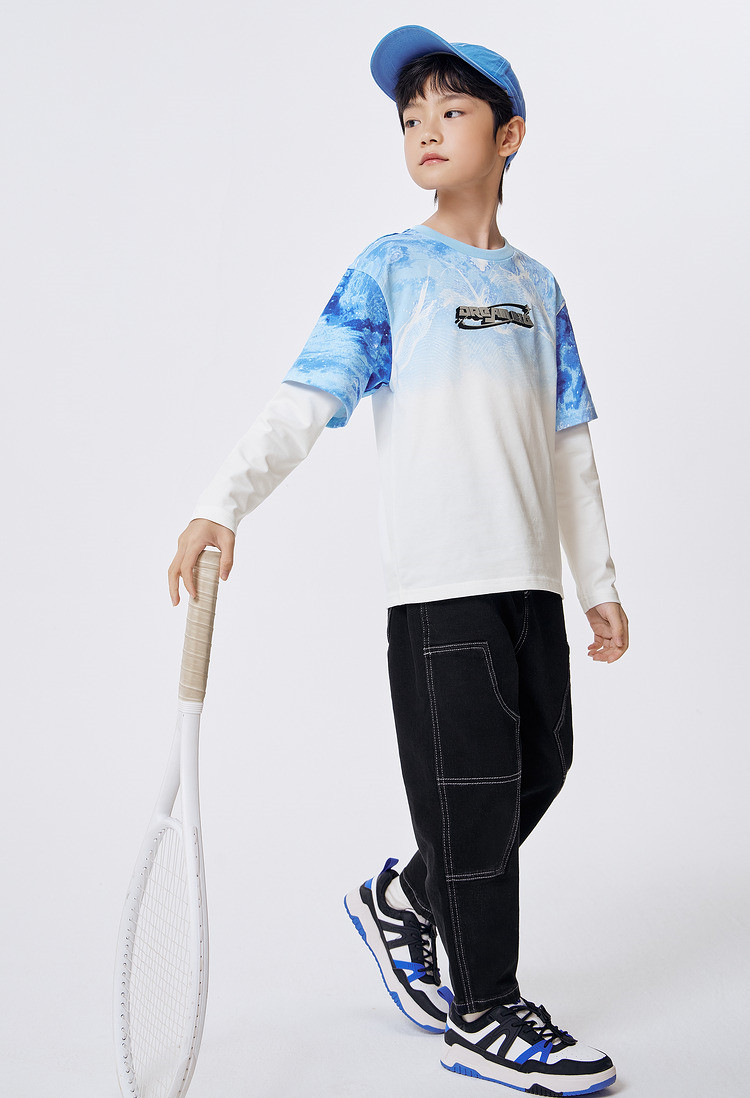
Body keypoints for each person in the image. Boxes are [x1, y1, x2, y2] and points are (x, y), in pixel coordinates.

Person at [167, 24, 629, 1095]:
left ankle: (405, 900)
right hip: (440, 592)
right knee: (474, 795)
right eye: (411, 116)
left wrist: (598, 584)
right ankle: (486, 1009)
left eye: (452, 111)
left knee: (543, 765)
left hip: (530, 587)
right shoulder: (390, 270)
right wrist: (220, 504)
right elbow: (306, 400)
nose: (425, 128)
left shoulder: (540, 287)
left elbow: (570, 446)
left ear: (509, 136)